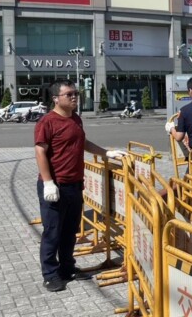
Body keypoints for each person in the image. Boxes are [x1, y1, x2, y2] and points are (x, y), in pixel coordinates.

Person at [34, 79, 127, 292]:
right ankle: (50, 274)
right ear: (56, 98)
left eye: (76, 93)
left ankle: (67, 267)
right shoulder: (47, 122)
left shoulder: (76, 119)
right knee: (53, 232)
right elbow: (40, 151)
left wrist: (106, 153)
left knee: (69, 232)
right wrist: (48, 182)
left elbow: (82, 142)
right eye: (70, 94)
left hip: (75, 185)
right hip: (55, 186)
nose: (75, 97)